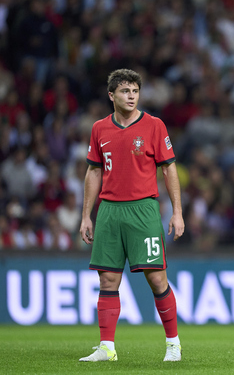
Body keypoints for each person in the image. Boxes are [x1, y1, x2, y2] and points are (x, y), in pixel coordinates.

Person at [78, 69, 185, 362]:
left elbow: (168, 168)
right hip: (109, 211)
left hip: (143, 210)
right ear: (111, 95)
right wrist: (86, 215)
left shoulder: (154, 125)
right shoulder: (100, 128)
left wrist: (177, 212)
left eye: (135, 91)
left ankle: (173, 344)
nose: (131, 96)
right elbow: (94, 171)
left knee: (157, 278)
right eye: (125, 91)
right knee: (108, 281)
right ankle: (106, 348)